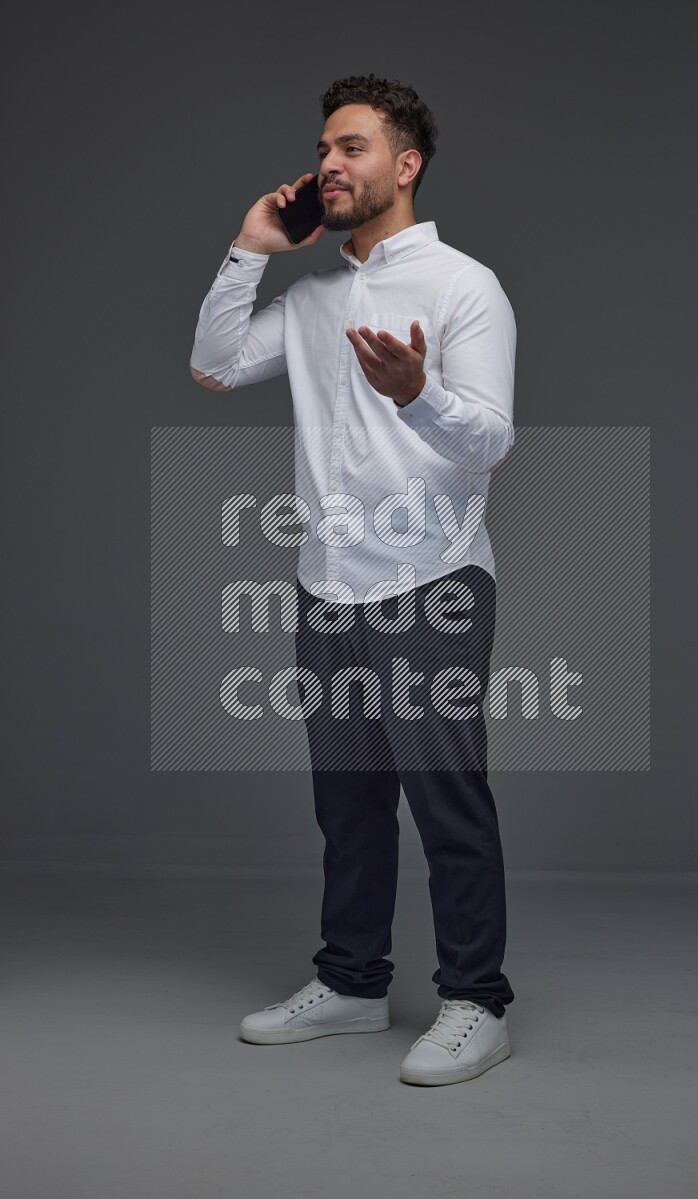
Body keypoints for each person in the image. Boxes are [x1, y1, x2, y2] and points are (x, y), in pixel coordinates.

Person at [189, 73, 516, 1086]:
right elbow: (212, 363)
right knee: (349, 802)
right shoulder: (314, 296)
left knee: (445, 797)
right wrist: (250, 245)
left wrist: (418, 394)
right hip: (327, 583)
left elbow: (492, 437)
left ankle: (474, 999)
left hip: (432, 579)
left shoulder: (464, 286)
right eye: (322, 148)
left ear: (404, 164)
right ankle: (352, 981)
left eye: (351, 147)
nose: (327, 164)